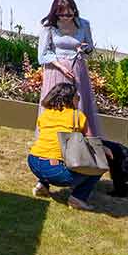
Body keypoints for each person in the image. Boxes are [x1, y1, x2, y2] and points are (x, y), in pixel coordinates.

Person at [28, 82, 102, 210]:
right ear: (70, 98)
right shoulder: (78, 115)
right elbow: (91, 140)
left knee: (51, 153)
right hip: (55, 169)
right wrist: (104, 149)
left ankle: (42, 184)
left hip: (33, 162)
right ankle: (78, 198)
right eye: (77, 97)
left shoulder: (45, 114)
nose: (78, 99)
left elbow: (46, 137)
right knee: (98, 167)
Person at [38, 0, 100, 137]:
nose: (66, 17)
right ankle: (54, 135)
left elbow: (90, 47)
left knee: (78, 101)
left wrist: (84, 48)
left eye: (69, 14)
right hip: (56, 70)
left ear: (74, 10)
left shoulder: (83, 24)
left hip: (77, 68)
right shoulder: (48, 26)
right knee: (58, 102)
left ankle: (81, 136)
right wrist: (61, 67)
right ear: (55, 13)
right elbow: (43, 53)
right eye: (62, 15)